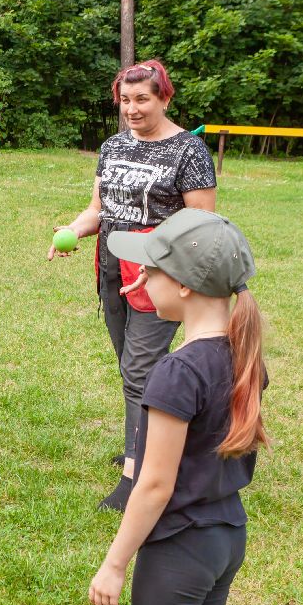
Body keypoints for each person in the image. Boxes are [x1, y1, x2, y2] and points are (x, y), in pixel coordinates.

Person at [68, 208, 266, 605]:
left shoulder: (176, 373)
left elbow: (152, 485)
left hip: (177, 553)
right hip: (224, 537)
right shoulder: (242, 355)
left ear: (181, 285)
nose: (136, 281)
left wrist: (114, 562)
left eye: (146, 270)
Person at [51, 60, 217, 511]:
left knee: (141, 371)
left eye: (142, 99)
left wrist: (161, 263)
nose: (132, 109)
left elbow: (200, 225)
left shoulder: (188, 152)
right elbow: (98, 209)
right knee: (132, 370)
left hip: (159, 275)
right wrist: (70, 229)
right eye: (125, 100)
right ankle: (144, 445)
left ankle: (137, 472)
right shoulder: (112, 147)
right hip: (112, 268)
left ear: (165, 97)